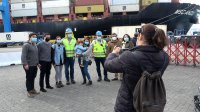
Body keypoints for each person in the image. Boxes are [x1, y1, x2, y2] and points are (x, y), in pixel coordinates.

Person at [104, 24, 169, 112]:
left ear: (140, 36)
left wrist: (113, 53)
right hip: (150, 103)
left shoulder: (130, 57)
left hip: (128, 105)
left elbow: (108, 65)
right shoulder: (165, 57)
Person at [21, 33, 40, 98]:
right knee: (29, 78)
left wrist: (37, 63)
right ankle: (29, 91)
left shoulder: (35, 45)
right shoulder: (26, 45)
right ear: (29, 37)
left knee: (33, 77)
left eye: (35, 37)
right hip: (28, 65)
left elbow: (36, 55)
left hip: (34, 65)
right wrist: (25, 64)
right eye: (33, 37)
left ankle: (32, 89)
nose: (35, 38)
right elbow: (23, 55)